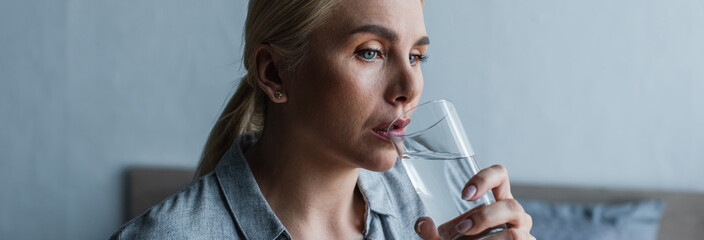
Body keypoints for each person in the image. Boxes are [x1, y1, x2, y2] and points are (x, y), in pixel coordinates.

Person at [111, 0, 534, 239]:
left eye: (416, 56)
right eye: (370, 51)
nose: (410, 85)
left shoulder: (434, 213)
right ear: (274, 72)